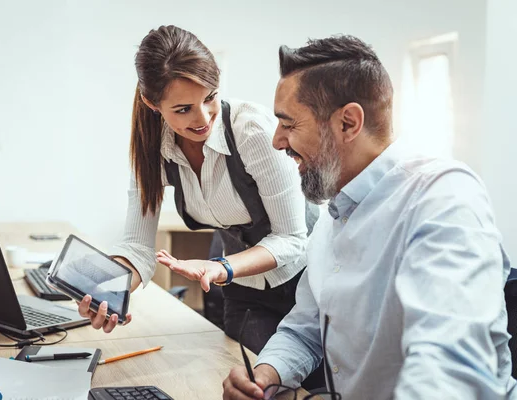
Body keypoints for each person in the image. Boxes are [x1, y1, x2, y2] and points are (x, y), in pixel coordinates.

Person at [223, 35, 516, 400]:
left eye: (289, 124)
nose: (277, 141)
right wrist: (267, 374)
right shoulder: (332, 218)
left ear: (348, 123)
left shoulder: (443, 199)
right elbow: (308, 327)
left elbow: (449, 372)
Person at [77, 25, 316, 356]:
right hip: (243, 286)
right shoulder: (150, 150)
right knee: (244, 374)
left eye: (210, 97)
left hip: (307, 279)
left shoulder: (252, 131)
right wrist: (110, 292)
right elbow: (137, 246)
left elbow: (292, 238)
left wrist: (222, 267)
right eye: (183, 109)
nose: (203, 118)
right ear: (152, 103)